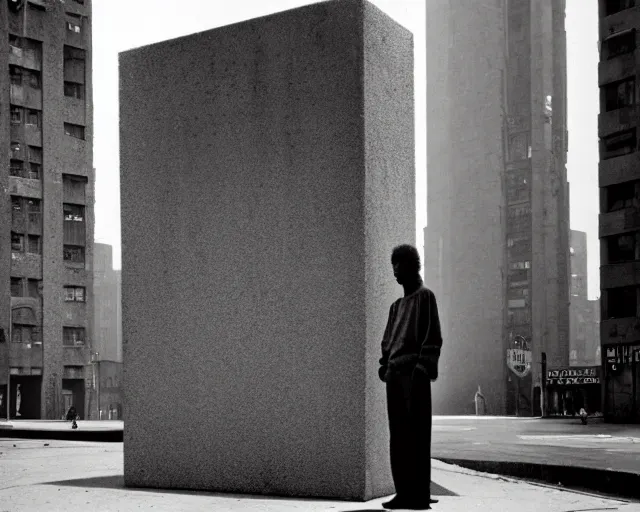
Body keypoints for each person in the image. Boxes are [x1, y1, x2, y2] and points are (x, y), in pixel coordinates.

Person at [379, 244, 443, 510]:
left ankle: (417, 493)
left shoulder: (425, 297)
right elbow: (387, 341)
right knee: (399, 436)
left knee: (416, 435)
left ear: (412, 265)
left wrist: (421, 369)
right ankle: (404, 491)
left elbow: (433, 338)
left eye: (399, 263)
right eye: (393, 264)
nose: (395, 269)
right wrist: (385, 366)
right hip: (395, 377)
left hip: (414, 377)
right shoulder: (396, 307)